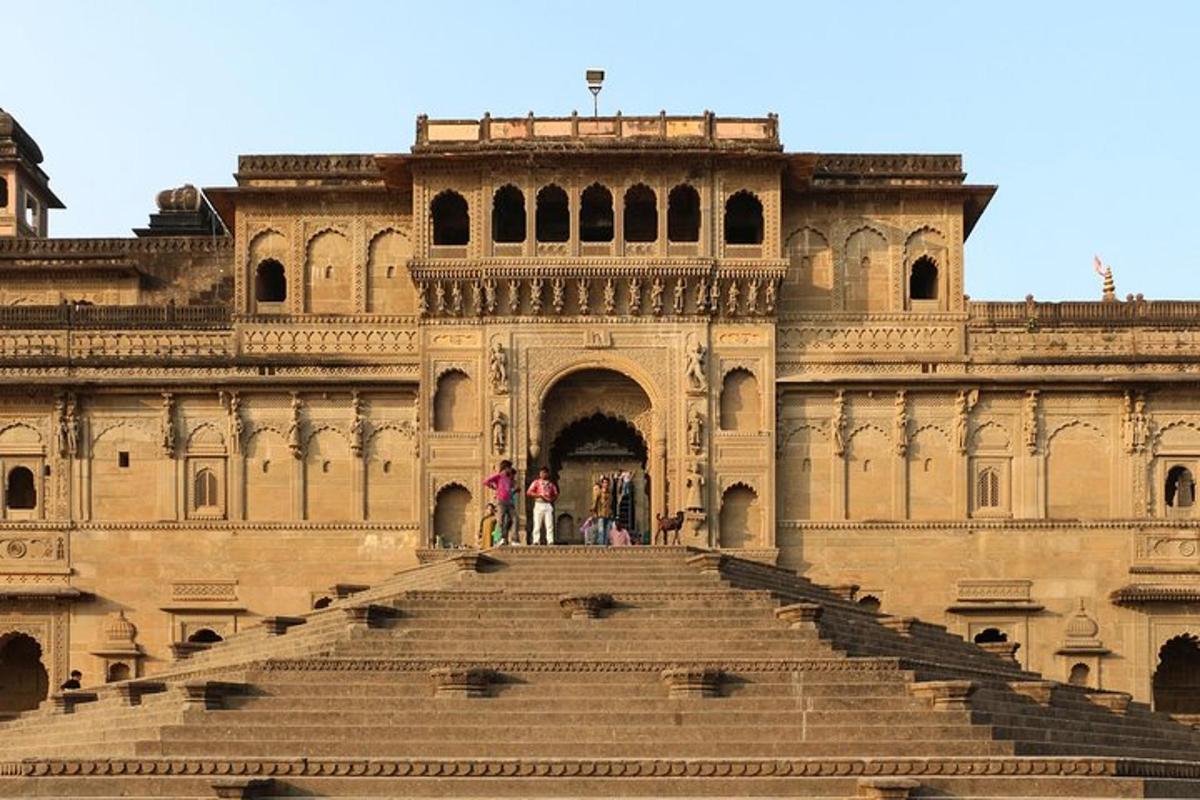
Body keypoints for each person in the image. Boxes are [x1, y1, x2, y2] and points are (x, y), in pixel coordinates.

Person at [484, 460, 518, 544]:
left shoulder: (509, 478)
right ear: (505, 468)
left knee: (514, 519)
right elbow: (486, 482)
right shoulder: (498, 476)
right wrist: (494, 487)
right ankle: (499, 539)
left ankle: (514, 539)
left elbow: (509, 489)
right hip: (501, 501)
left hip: (509, 502)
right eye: (509, 468)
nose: (510, 470)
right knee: (500, 521)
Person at [526, 466, 558, 546]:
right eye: (541, 473)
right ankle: (536, 540)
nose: (542, 474)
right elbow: (529, 492)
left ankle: (550, 540)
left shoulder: (550, 484)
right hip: (539, 503)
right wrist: (539, 495)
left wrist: (551, 499)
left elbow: (556, 494)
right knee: (537, 523)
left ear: (547, 474)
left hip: (547, 504)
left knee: (549, 524)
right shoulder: (536, 482)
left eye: (544, 473)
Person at [590, 476, 614, 546]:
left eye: (607, 483)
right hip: (601, 514)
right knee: (601, 531)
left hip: (608, 514)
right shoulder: (599, 493)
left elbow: (611, 504)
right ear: (602, 484)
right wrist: (593, 511)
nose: (606, 484)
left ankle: (605, 545)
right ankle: (601, 547)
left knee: (607, 531)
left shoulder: (610, 494)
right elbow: (595, 502)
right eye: (604, 483)